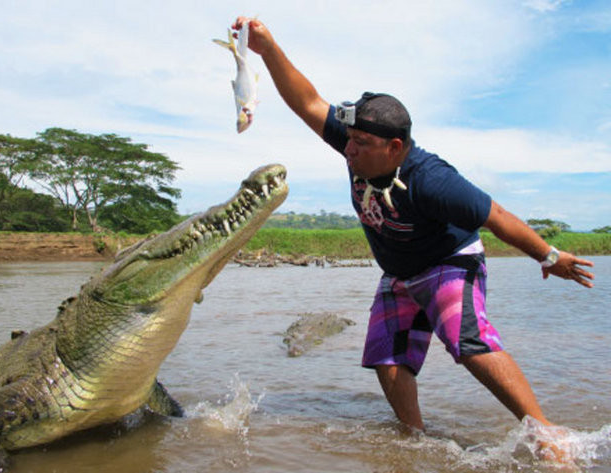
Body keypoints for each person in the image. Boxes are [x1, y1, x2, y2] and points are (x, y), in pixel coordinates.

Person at [231, 16, 595, 441]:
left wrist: (551, 257)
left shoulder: (432, 179)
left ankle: (548, 435)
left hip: (449, 263)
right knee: (386, 358)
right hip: (399, 273)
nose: (348, 151)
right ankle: (415, 440)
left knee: (468, 344)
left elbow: (497, 218)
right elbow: (307, 101)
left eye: (360, 145)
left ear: (395, 147)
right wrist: (267, 48)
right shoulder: (357, 142)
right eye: (348, 140)